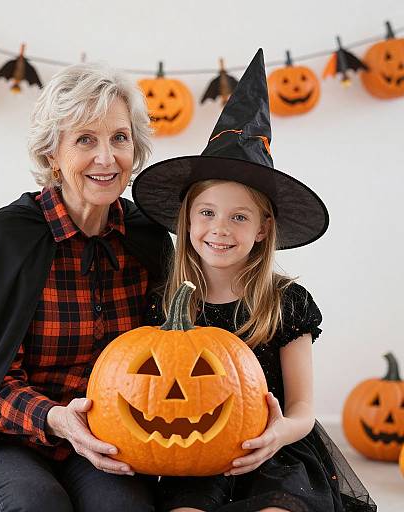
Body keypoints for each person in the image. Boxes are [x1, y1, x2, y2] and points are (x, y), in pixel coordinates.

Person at [0, 63, 174, 512]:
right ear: (53, 154)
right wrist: (56, 419)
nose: (106, 158)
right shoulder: (6, 239)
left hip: (106, 437)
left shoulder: (146, 238)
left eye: (119, 138)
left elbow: (166, 358)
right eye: (85, 140)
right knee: (36, 505)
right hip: (11, 439)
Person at [133, 49, 376, 512]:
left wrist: (278, 432)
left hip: (274, 453)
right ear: (186, 220)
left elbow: (303, 408)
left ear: (262, 229)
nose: (220, 228)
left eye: (239, 216)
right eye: (207, 213)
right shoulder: (167, 303)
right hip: (195, 455)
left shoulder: (286, 303)